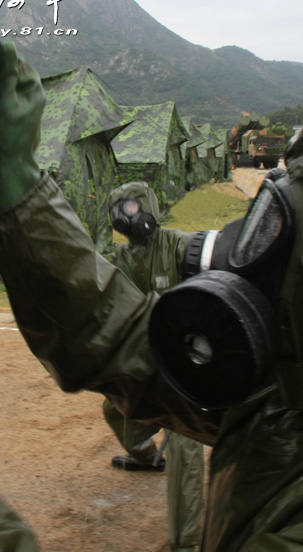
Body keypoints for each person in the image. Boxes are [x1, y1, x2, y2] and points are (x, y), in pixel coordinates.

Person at [0, 41, 303, 552]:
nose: (257, 251)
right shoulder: (284, 402)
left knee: (185, 454)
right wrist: (17, 188)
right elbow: (127, 341)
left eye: (278, 230)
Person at [103, 181, 204, 551]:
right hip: (147, 359)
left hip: (185, 362)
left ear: (147, 207)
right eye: (118, 213)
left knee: (185, 438)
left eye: (129, 209)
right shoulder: (123, 259)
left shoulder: (177, 245)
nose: (124, 219)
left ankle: (188, 539)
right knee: (113, 407)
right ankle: (145, 456)